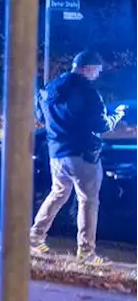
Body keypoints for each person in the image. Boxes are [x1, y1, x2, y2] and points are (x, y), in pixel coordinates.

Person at [29, 50, 126, 264]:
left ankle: (35, 237)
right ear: (88, 68)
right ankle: (86, 253)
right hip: (82, 156)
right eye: (97, 71)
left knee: (58, 194)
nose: (97, 75)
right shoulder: (88, 92)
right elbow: (101, 125)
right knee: (88, 202)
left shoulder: (51, 88)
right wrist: (117, 115)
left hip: (57, 154)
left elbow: (40, 116)